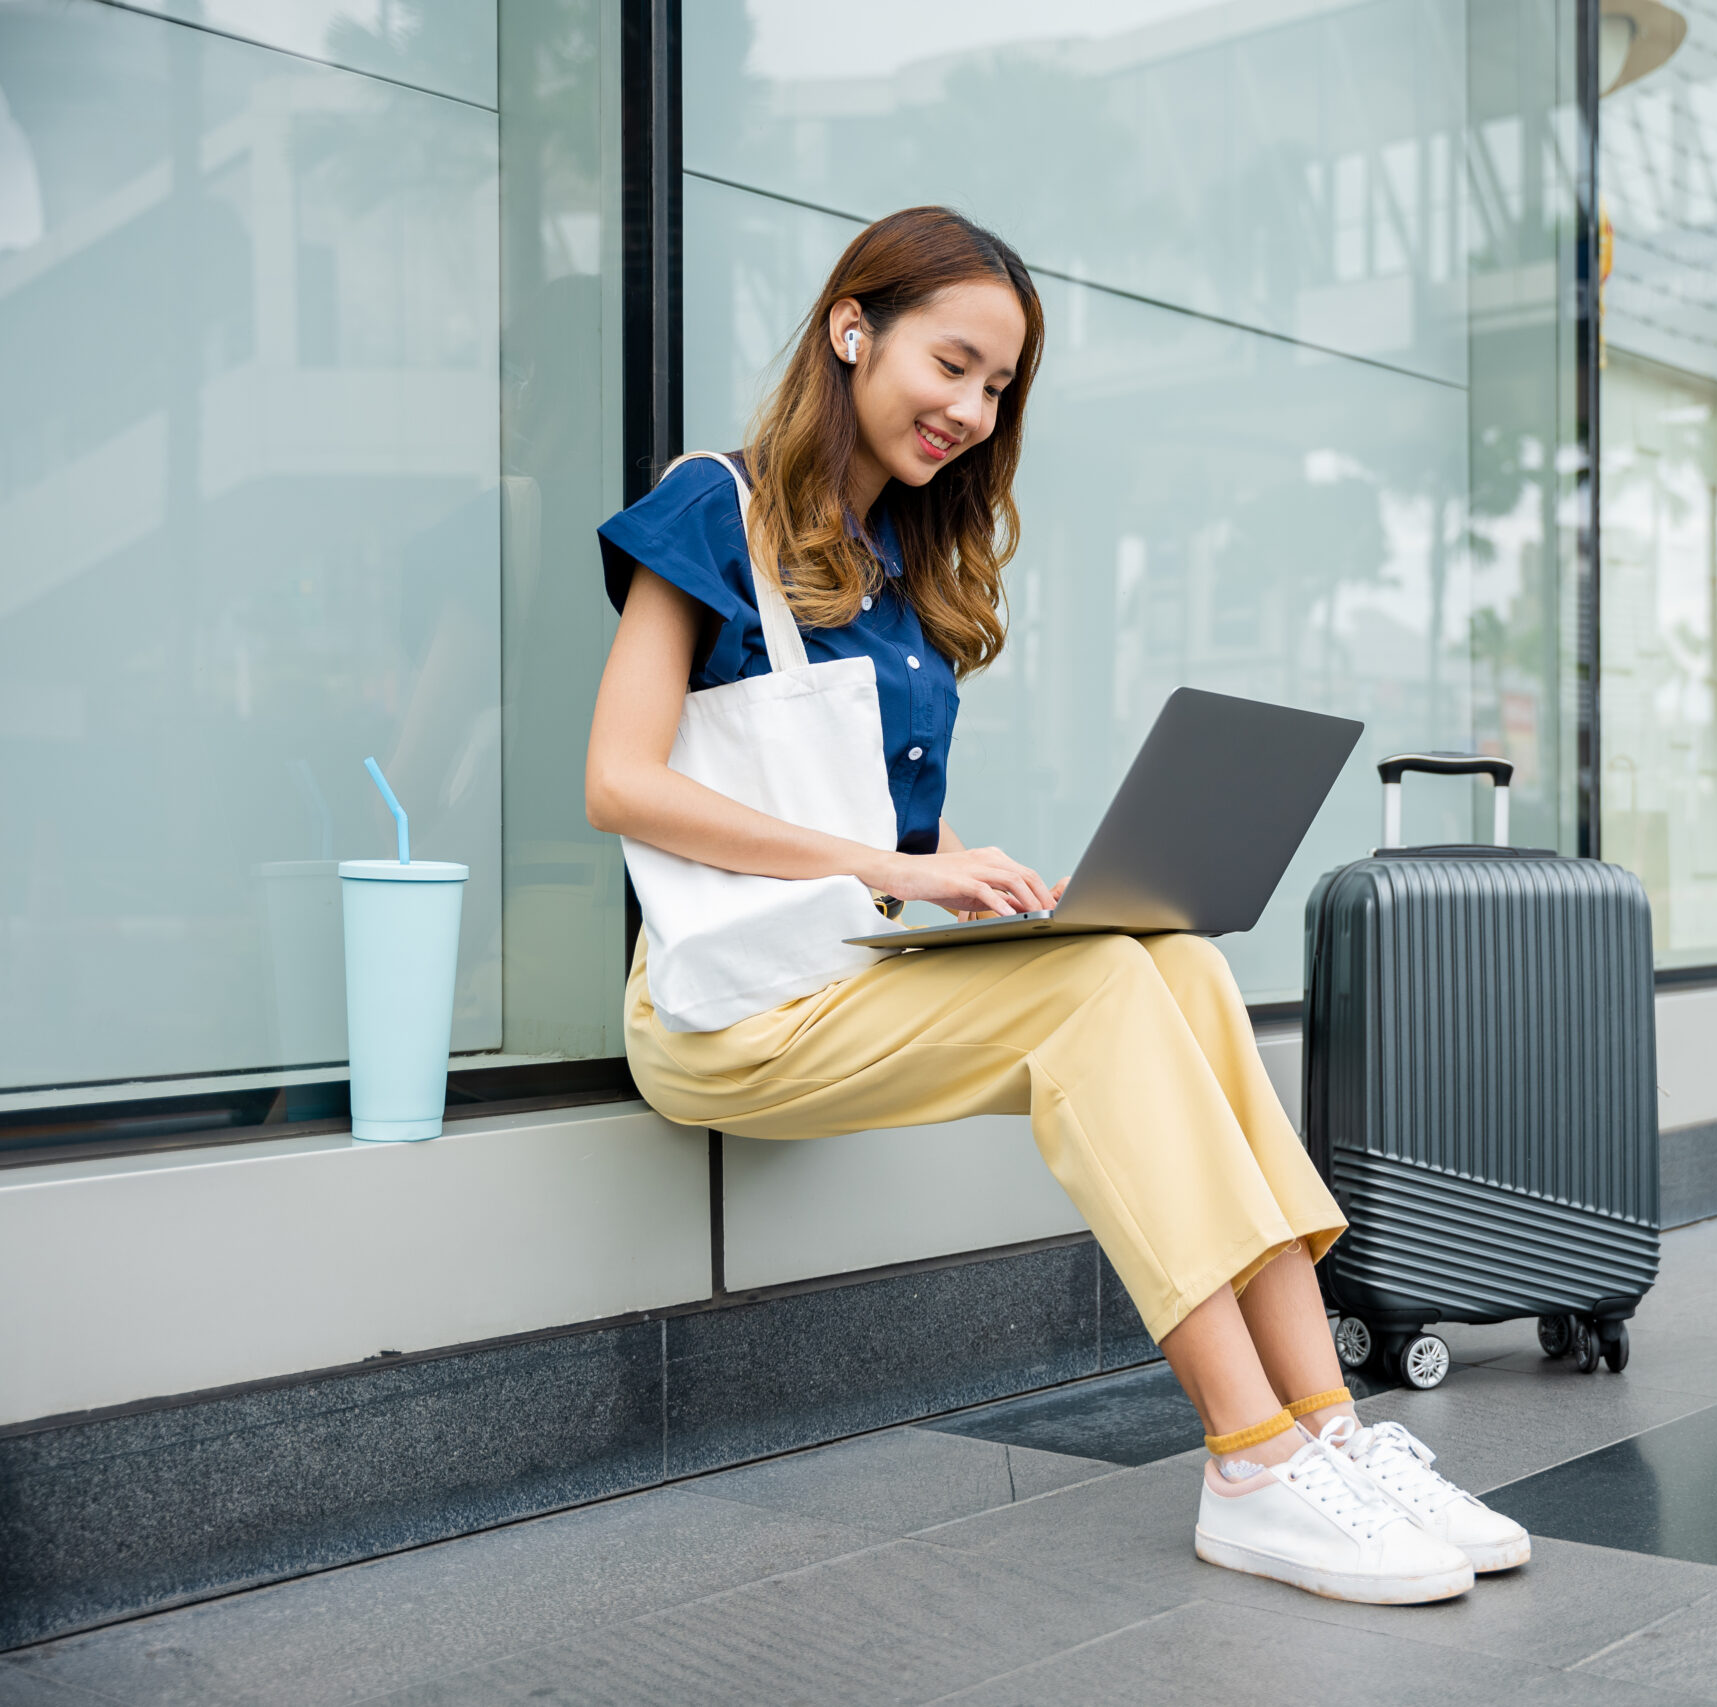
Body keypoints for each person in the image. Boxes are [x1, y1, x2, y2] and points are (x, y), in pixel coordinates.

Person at [583, 206, 1527, 1606]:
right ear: (852, 329)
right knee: (1097, 999)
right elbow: (619, 782)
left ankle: (1332, 1431)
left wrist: (990, 877)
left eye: (997, 388)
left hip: (848, 973)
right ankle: (1252, 1459)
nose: (970, 411)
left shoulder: (902, 564)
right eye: (951, 364)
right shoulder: (713, 506)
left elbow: (877, 819)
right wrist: (910, 873)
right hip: (726, 1014)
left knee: (1173, 964)